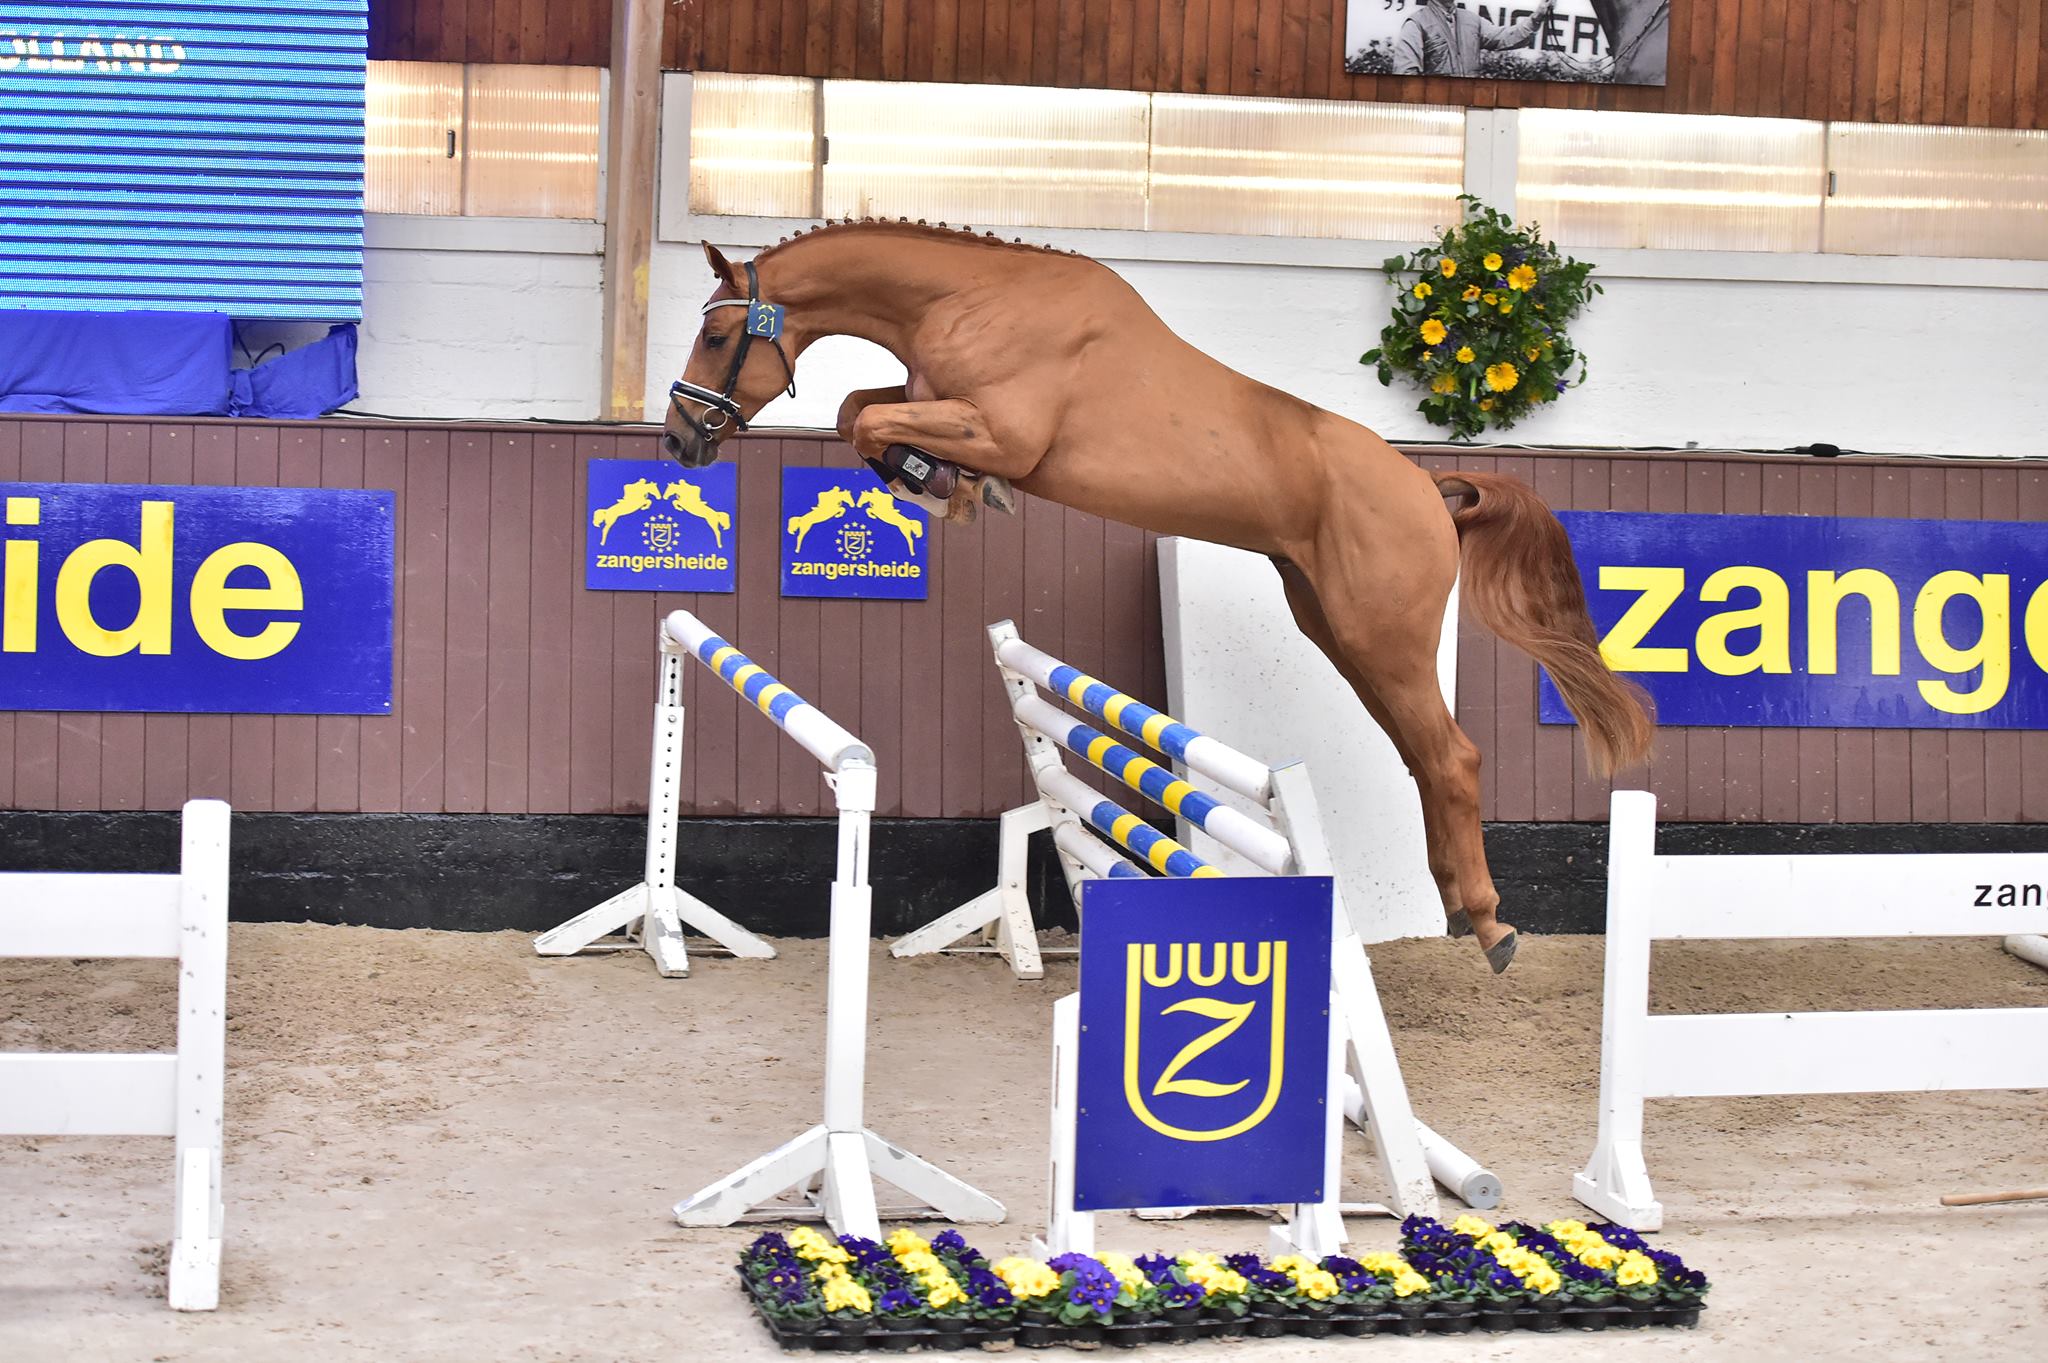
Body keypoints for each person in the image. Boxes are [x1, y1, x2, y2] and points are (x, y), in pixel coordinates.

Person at [1391, 0, 1558, 77]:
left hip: (1470, 110)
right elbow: (1405, 77)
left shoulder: (1472, 20)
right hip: (1434, 111)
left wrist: (1537, 17)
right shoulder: (1416, 23)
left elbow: (1504, 37)